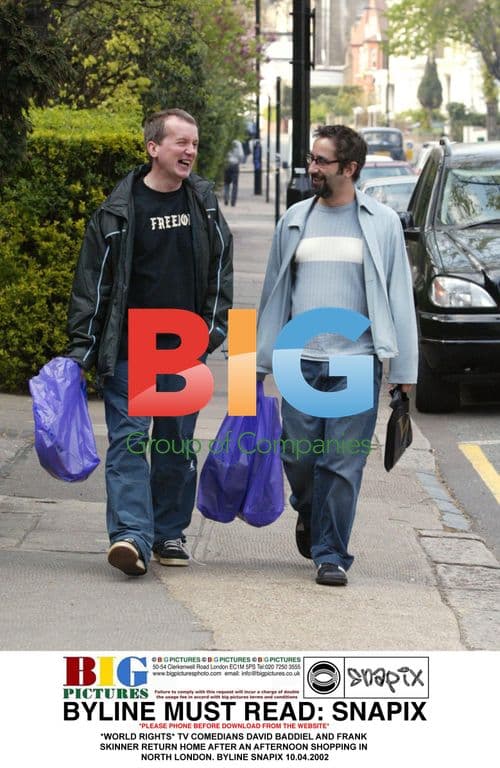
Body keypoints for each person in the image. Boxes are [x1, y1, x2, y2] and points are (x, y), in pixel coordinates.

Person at [67, 108, 233, 577]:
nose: (190, 151)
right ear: (152, 148)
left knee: (175, 447)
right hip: (129, 349)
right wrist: (83, 347)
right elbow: (93, 284)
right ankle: (130, 537)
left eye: (194, 144)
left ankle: (168, 533)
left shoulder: (203, 205)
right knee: (128, 443)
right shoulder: (118, 211)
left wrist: (212, 333)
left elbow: (221, 273)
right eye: (181, 142)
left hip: (183, 350)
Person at [256, 124, 417, 587]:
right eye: (311, 159)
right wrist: (258, 364)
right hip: (299, 358)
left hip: (355, 360)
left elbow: (399, 297)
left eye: (322, 162)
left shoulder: (381, 222)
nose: (312, 168)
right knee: (299, 457)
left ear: (349, 169)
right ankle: (309, 512)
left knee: (341, 462)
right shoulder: (293, 220)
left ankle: (331, 553)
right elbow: (272, 295)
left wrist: (404, 370)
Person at [223, 139, 245, 206]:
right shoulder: (238, 143)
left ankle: (226, 199)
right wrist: (239, 161)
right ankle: (233, 202)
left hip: (227, 164)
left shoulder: (226, 141)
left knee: (226, 183)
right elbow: (241, 155)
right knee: (235, 185)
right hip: (235, 165)